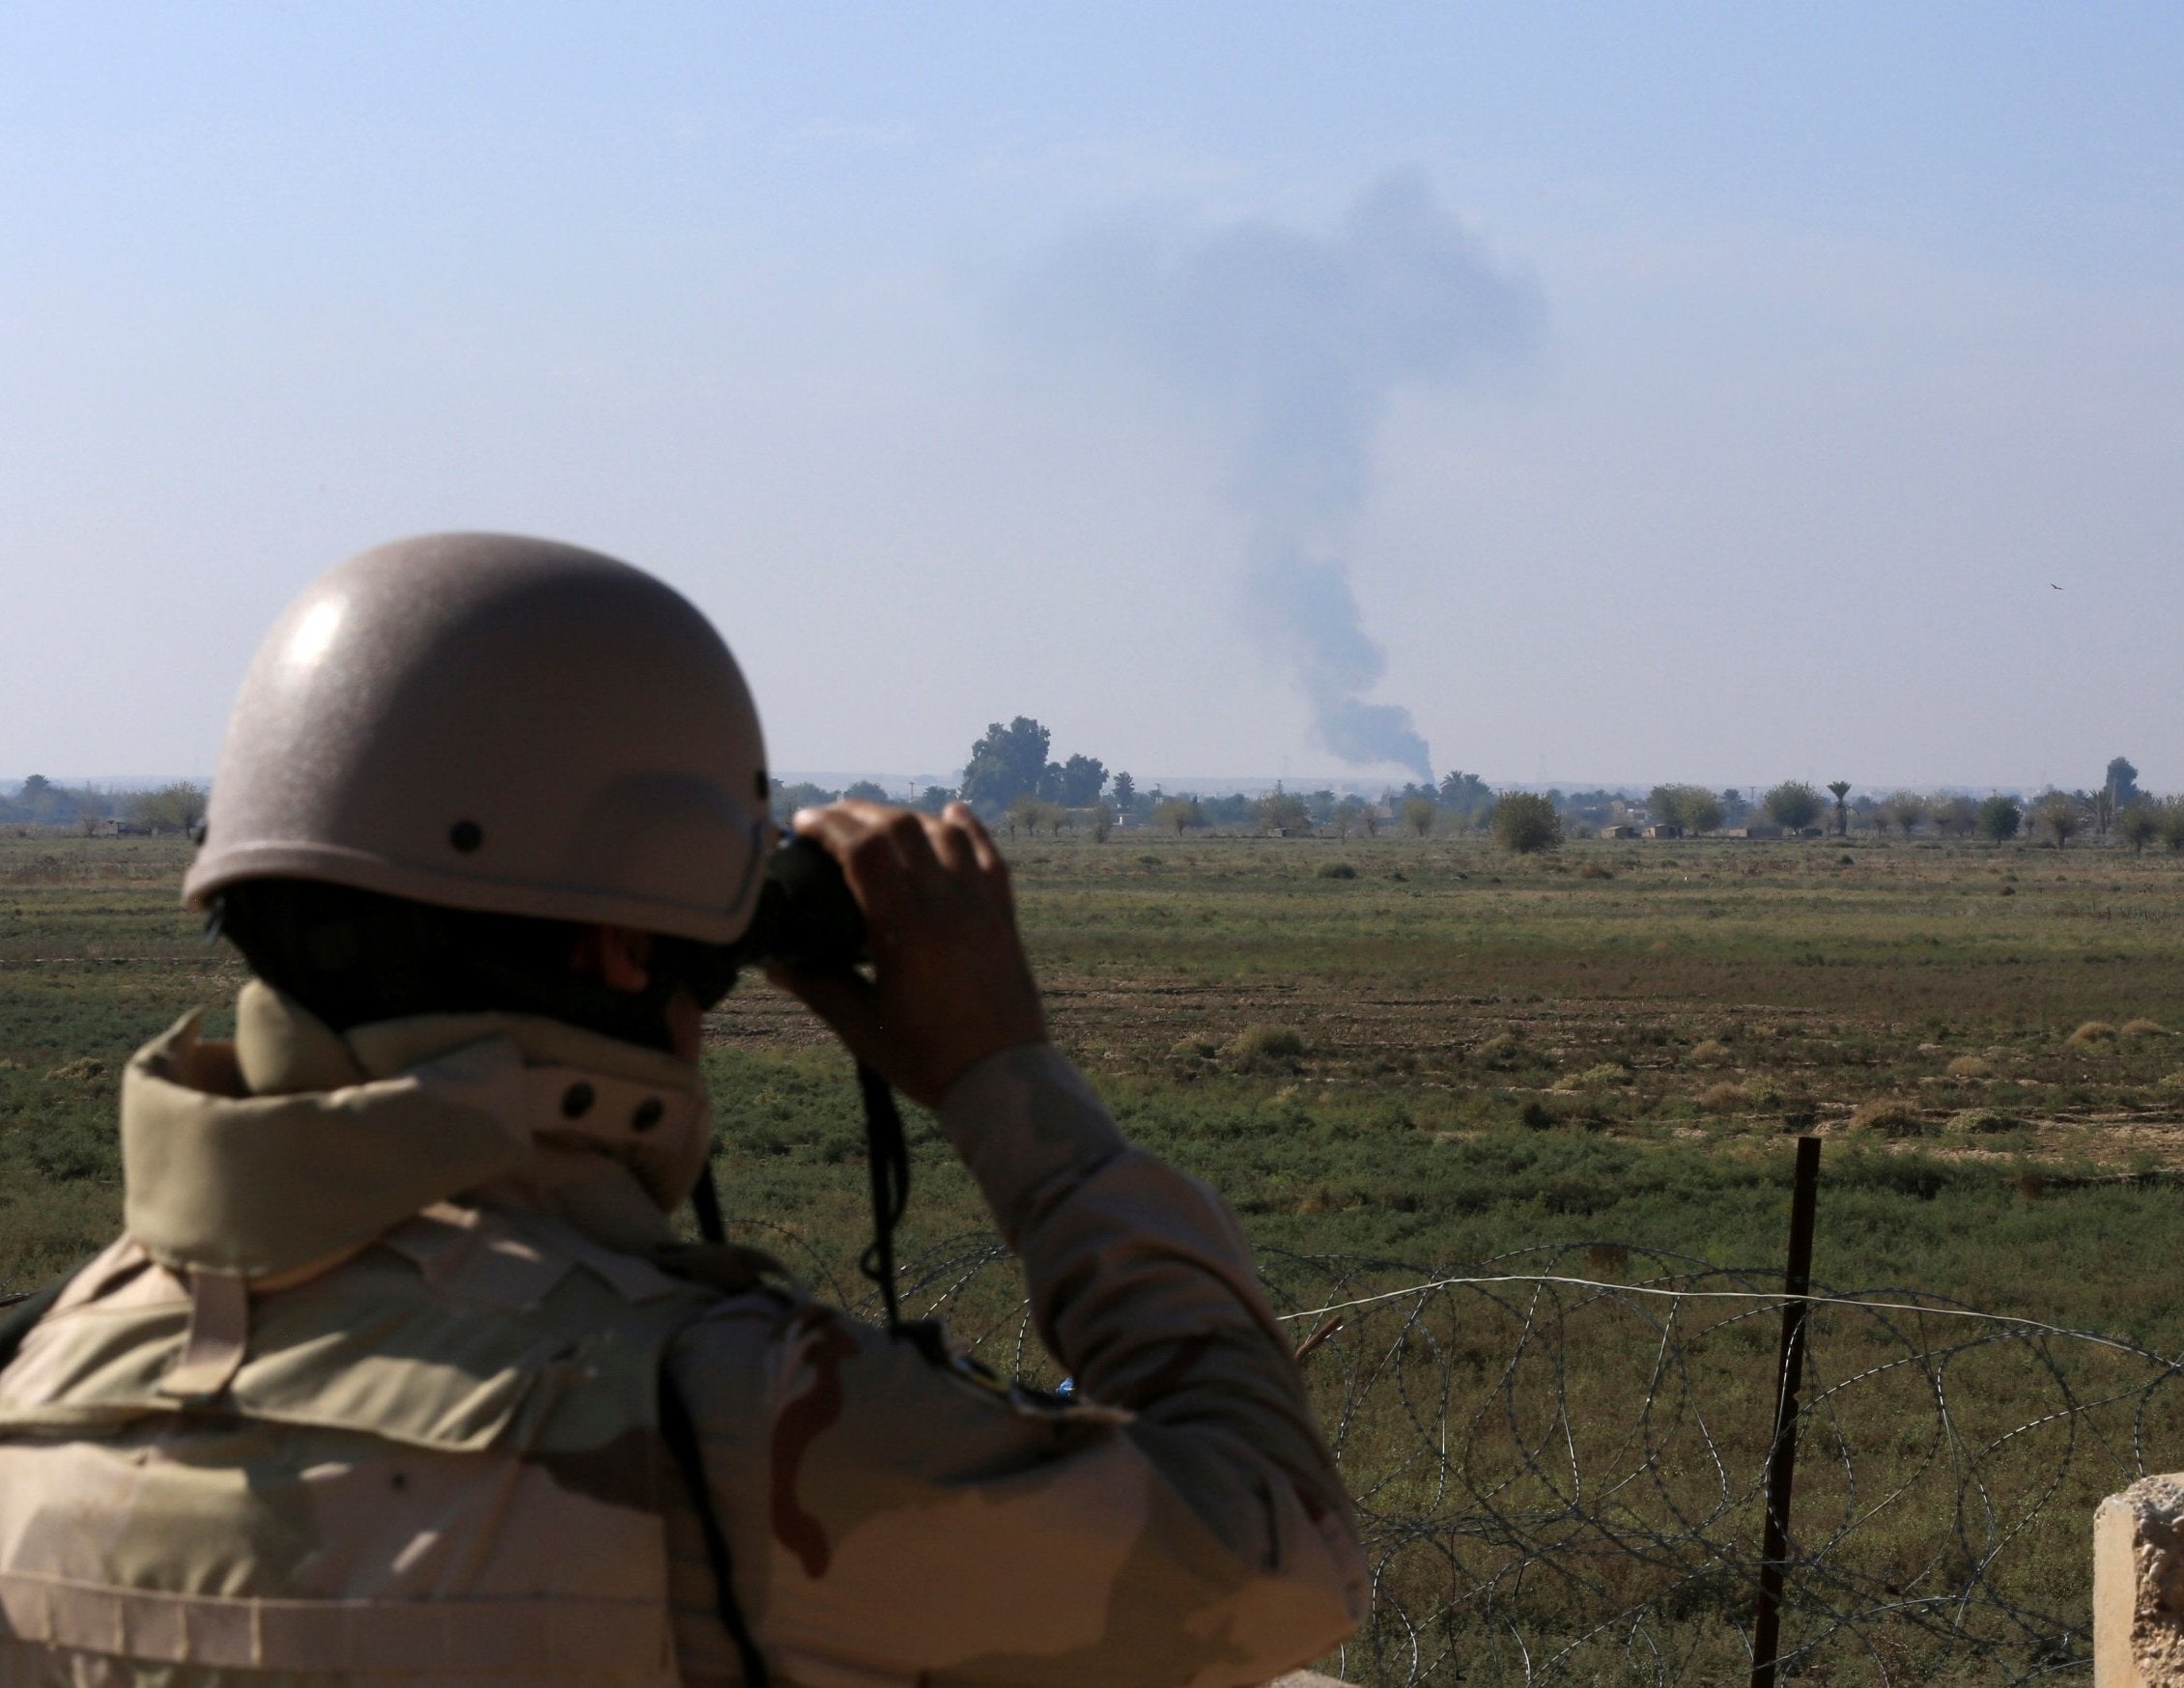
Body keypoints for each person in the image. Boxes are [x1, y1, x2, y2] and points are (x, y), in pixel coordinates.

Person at [0, 533, 1368, 1688]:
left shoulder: (40, 1381)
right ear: (612, 947)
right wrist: (1002, 1077)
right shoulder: (728, 1420)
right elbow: (1275, 1558)